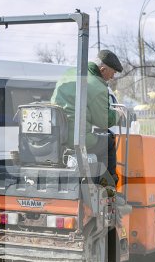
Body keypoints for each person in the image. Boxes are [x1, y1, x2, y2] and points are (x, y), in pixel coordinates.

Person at [51, 49, 123, 184]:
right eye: (112, 73)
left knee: (101, 135)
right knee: (108, 140)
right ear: (102, 70)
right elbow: (104, 121)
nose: (112, 77)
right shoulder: (97, 86)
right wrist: (118, 114)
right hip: (77, 138)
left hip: (58, 135)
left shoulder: (70, 73)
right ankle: (108, 185)